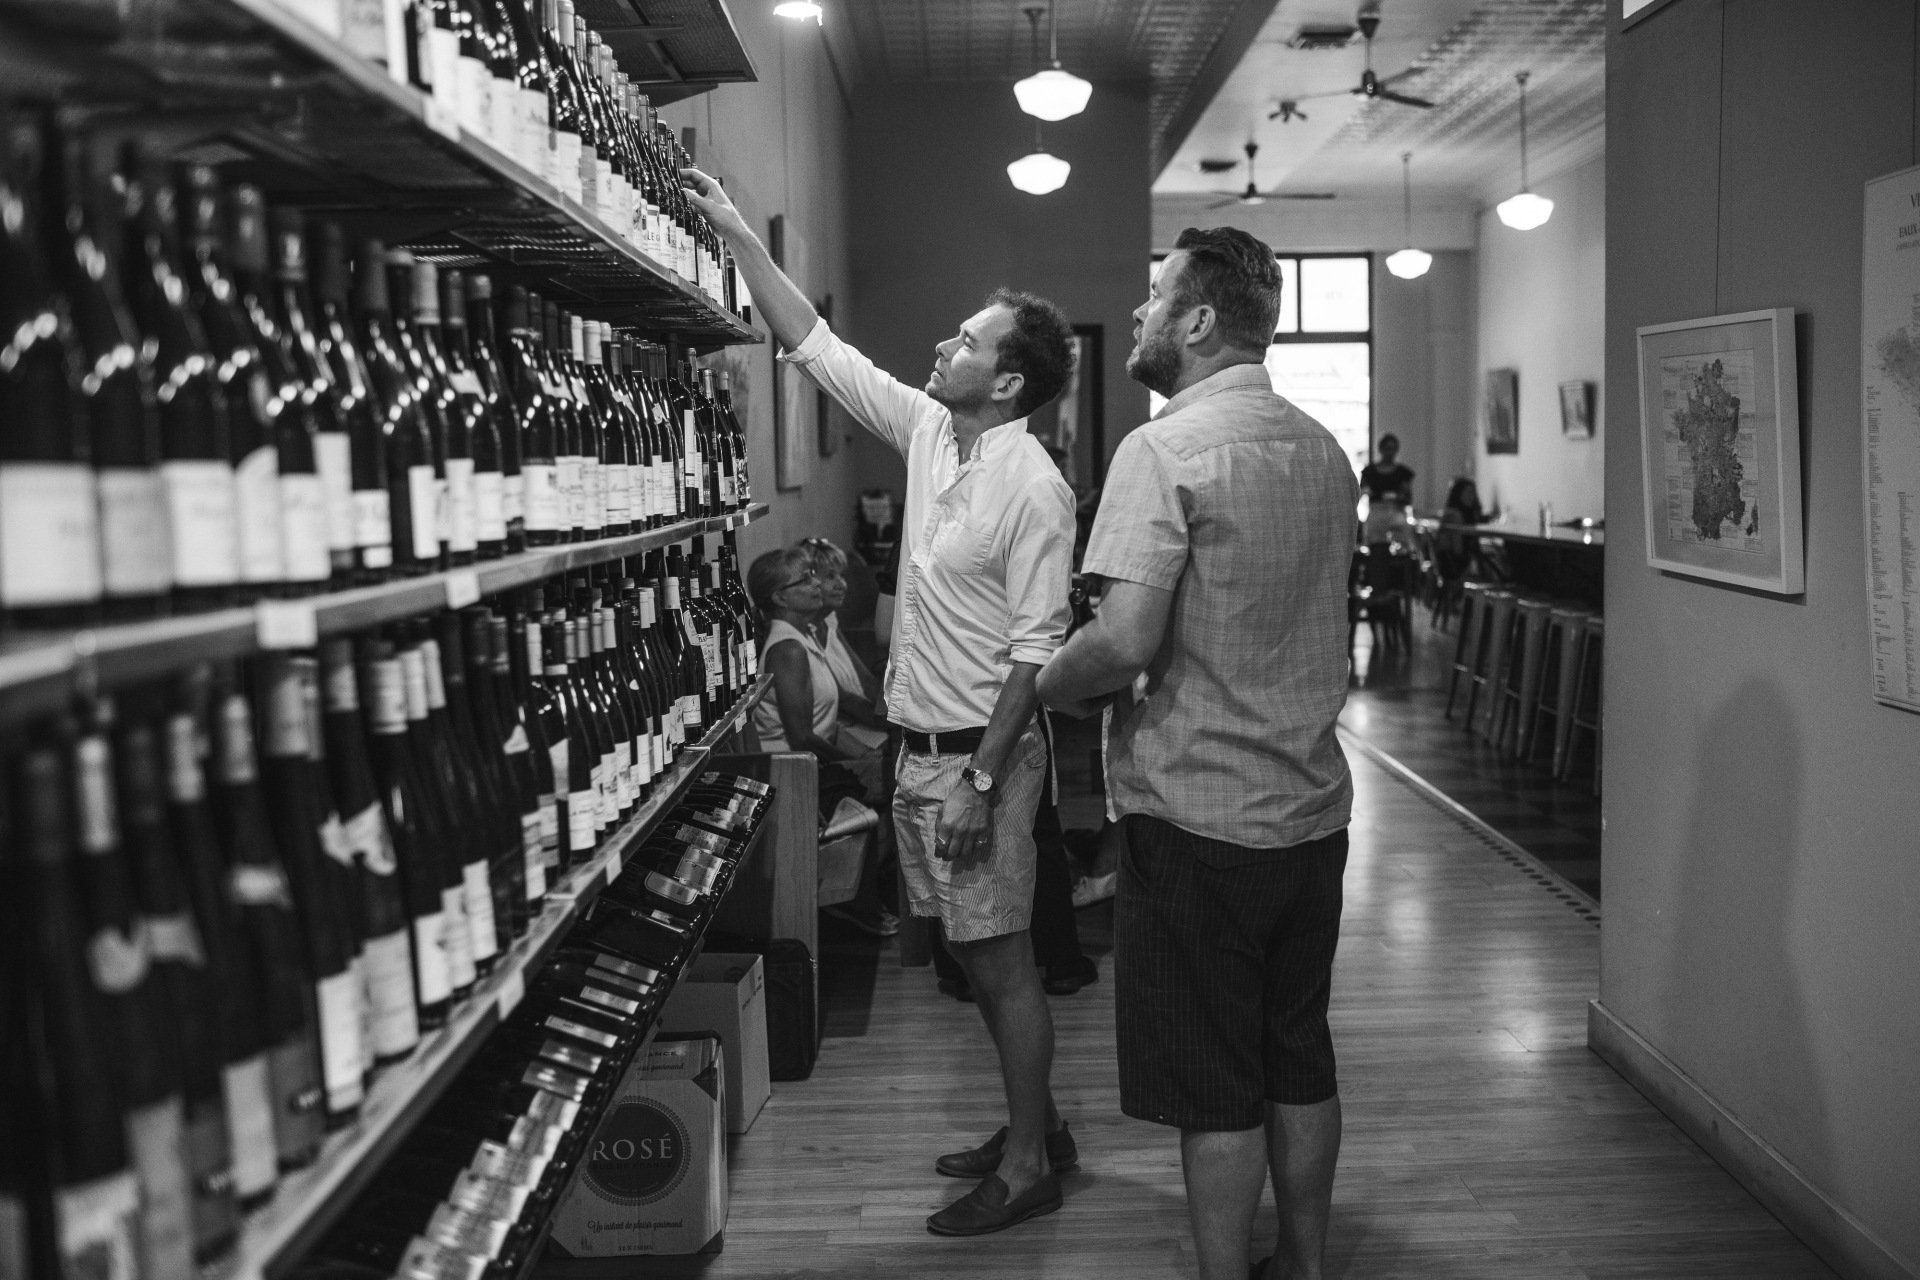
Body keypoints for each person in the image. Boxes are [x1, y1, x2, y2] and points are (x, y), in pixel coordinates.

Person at [683, 167, 1080, 1238]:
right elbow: (818, 347)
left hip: (978, 757)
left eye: (965, 341)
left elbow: (1037, 655)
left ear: (1008, 383)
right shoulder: (930, 434)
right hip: (921, 750)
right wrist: (732, 233)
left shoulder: (1034, 486)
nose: (942, 348)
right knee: (974, 961)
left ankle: (1034, 1159)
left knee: (998, 962)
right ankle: (1034, 1120)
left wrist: (981, 779)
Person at [1036, 226, 1357, 1280]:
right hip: (1311, 811)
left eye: (1156, 294)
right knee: (1298, 1055)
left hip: (1197, 817)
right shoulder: (1323, 447)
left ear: (1201, 320)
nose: (1137, 314)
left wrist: (1040, 678)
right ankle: (1304, 1264)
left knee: (1217, 1080)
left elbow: (1124, 640)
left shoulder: (1162, 447)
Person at [746, 547, 897, 936]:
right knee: (885, 797)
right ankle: (853, 904)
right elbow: (801, 737)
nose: (817, 585)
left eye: (816, 576)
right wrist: (848, 765)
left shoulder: (803, 637)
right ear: (780, 597)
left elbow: (841, 704)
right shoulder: (788, 649)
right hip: (791, 774)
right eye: (806, 580)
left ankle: (868, 900)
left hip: (807, 763)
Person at [1360, 433, 1414, 507]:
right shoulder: (1369, 472)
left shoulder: (1403, 472)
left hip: (1397, 513)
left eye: (1393, 449)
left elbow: (1408, 498)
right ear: (1381, 449)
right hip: (1375, 512)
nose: (1390, 453)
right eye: (1388, 448)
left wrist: (1398, 497)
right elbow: (1361, 492)